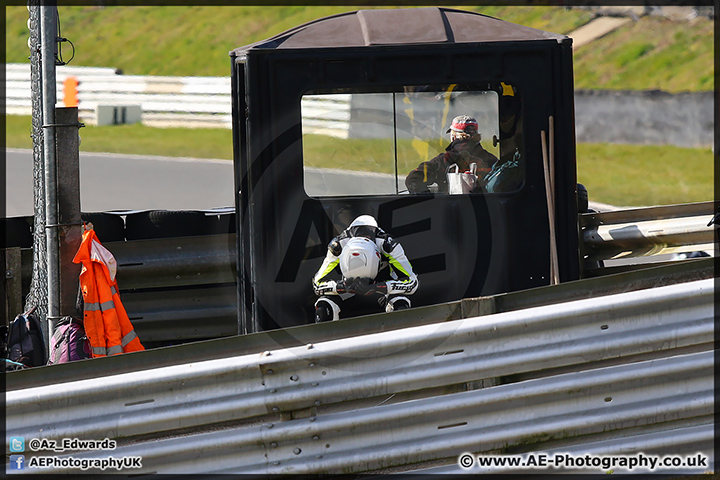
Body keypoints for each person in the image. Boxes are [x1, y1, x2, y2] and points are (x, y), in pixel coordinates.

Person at [312, 215, 419, 323]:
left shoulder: (388, 246)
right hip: (348, 289)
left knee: (400, 307)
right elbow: (316, 284)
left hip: (383, 288)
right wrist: (341, 287)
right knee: (323, 309)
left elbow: (413, 282)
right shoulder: (338, 246)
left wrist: (377, 287)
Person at [405, 115, 499, 194]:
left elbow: (413, 180)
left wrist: (433, 200)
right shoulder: (491, 160)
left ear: (453, 137)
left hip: (449, 213)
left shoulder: (443, 160)